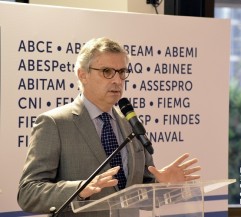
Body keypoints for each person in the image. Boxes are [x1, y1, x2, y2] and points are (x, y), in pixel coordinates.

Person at [17, 37, 201, 217]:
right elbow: (28, 193)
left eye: (121, 72)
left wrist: (161, 184)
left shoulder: (130, 124)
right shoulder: (54, 123)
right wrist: (81, 189)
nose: (117, 80)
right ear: (83, 74)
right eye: (106, 71)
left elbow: (140, 187)